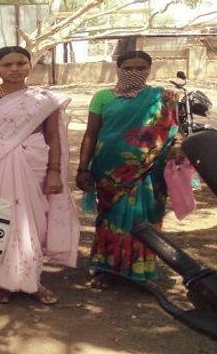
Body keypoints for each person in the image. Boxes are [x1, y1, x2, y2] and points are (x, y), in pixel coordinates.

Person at [0, 46, 79, 305]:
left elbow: (53, 137)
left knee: (35, 225)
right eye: (7, 64)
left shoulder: (43, 99)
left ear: (30, 65)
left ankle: (32, 281)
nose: (15, 69)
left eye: (21, 63)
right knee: (2, 223)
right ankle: (2, 283)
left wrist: (54, 173)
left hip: (36, 166)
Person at [76, 50, 182, 287]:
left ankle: (141, 272)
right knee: (110, 218)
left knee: (146, 218)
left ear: (149, 70)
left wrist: (178, 147)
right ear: (118, 69)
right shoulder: (102, 97)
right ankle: (106, 269)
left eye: (141, 68)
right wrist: (83, 168)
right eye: (129, 69)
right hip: (109, 169)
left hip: (148, 170)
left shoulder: (162, 98)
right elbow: (91, 135)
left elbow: (173, 132)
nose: (135, 73)